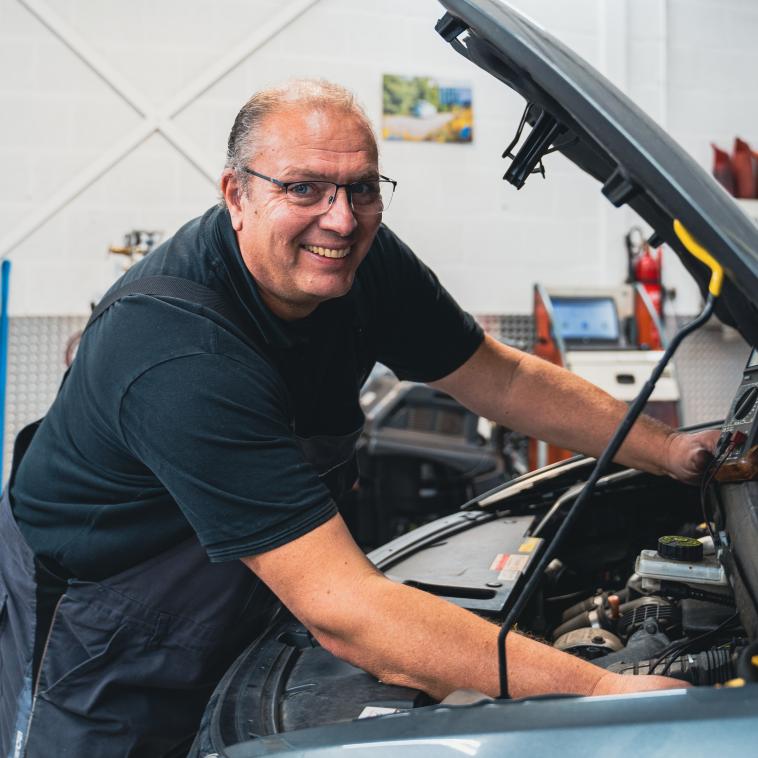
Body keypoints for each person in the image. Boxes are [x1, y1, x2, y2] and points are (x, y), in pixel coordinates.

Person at [0, 80, 718, 756]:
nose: (340, 219)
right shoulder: (173, 351)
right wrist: (598, 689)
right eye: (303, 188)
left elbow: (496, 376)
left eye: (362, 189)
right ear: (236, 195)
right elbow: (344, 608)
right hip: (101, 626)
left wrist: (669, 451)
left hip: (242, 591)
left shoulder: (357, 263)